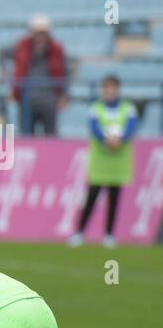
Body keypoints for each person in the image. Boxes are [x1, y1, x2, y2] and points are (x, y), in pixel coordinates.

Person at [69, 74, 138, 248]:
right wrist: (106, 140)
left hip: (117, 162)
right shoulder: (96, 108)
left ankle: (109, 234)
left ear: (117, 89)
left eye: (111, 88)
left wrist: (119, 140)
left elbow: (131, 127)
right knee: (91, 197)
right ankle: (79, 232)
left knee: (114, 199)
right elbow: (94, 128)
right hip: (100, 161)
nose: (108, 91)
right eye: (105, 88)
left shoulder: (128, 108)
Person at [11, 14, 69, 136]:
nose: (40, 37)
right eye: (37, 33)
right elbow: (2, 54)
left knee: (51, 138)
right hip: (27, 101)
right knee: (27, 138)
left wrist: (63, 94)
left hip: (49, 101)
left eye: (43, 33)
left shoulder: (56, 50)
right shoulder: (23, 48)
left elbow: (64, 72)